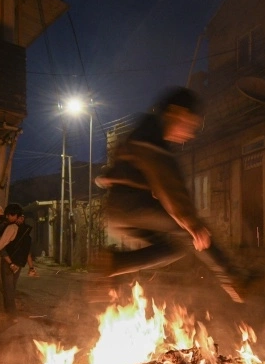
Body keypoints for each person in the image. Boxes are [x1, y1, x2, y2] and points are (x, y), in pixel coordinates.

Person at [96, 87, 249, 303]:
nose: (190, 134)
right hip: (131, 205)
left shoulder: (145, 135)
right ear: (176, 112)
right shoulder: (150, 138)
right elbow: (169, 185)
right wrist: (191, 222)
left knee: (175, 247)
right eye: (190, 124)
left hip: (120, 211)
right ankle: (233, 278)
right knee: (190, 232)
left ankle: (115, 263)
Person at [0, 203, 36, 316]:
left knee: (8, 288)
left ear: (14, 215)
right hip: (19, 262)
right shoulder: (24, 229)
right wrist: (31, 267)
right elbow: (27, 251)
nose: (7, 217)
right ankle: (11, 312)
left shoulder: (11, 227)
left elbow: (1, 245)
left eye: (8, 215)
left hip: (8, 262)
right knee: (12, 287)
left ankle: (10, 313)